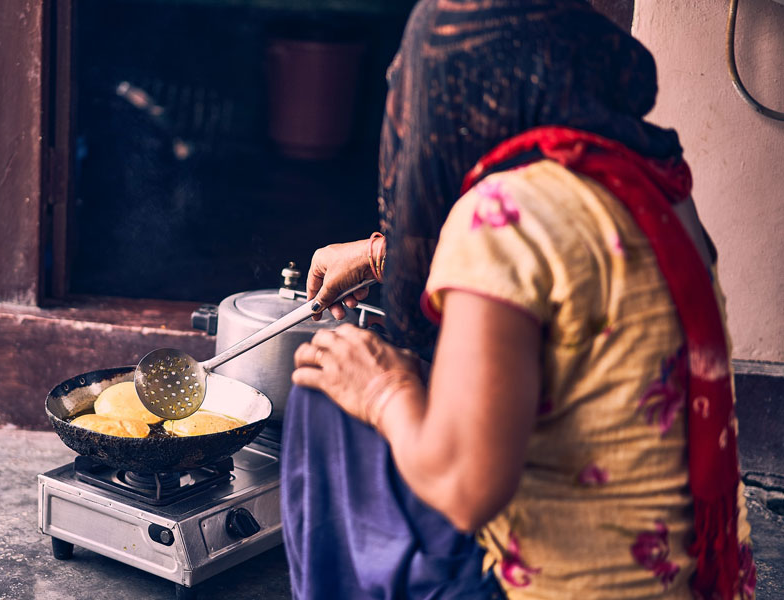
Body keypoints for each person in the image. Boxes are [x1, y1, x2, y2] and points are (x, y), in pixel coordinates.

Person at [280, 1, 756, 599]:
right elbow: (569, 275)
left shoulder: (501, 214)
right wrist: (380, 256)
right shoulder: (649, 183)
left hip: (559, 586)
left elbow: (466, 490)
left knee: (325, 402)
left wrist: (383, 390)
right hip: (680, 577)